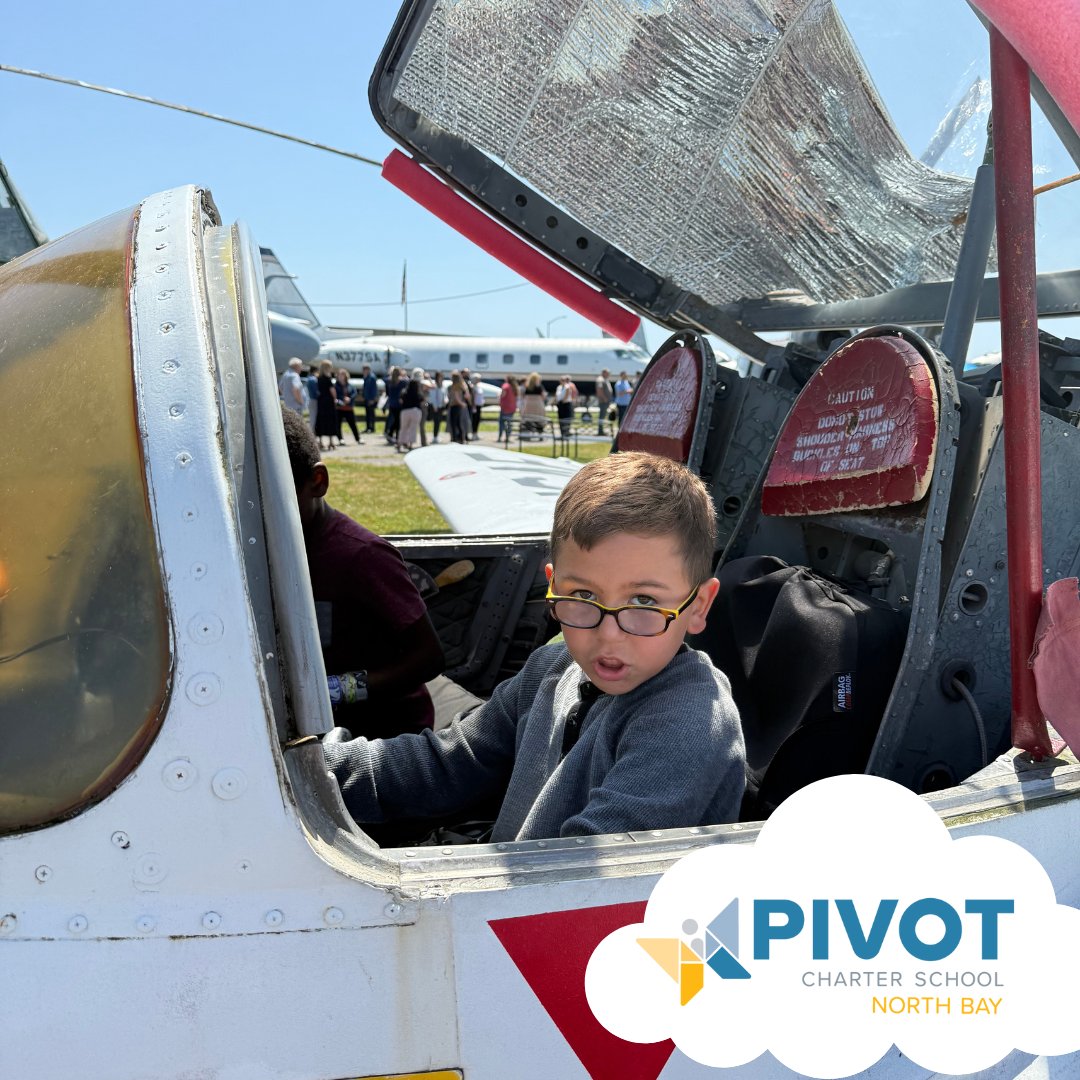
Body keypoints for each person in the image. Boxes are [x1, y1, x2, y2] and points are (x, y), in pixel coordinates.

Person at [321, 451, 746, 843]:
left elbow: (578, 880)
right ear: (553, 585)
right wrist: (316, 771)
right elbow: (448, 762)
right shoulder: (552, 667)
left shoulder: (689, 727)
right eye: (581, 596)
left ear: (698, 605)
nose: (609, 634)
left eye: (644, 602)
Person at [283, 408, 444, 738]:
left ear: (317, 482)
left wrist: (336, 690)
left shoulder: (362, 556)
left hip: (385, 737)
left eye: (277, 500)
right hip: (320, 728)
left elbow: (428, 658)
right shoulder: (275, 550)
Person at [397, 371, 424, 451]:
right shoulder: (419, 393)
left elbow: (400, 401)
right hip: (416, 411)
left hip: (405, 411)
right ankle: (410, 444)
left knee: (403, 428)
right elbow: (423, 402)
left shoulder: (404, 392)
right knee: (413, 429)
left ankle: (400, 444)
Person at [314, 360, 338, 452]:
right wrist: (335, 399)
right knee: (330, 420)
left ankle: (320, 442)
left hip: (321, 401)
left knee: (321, 420)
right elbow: (332, 391)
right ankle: (331, 442)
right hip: (328, 402)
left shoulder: (318, 378)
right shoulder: (328, 379)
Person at [335, 368, 362, 446]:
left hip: (349, 408)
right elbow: (335, 395)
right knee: (338, 425)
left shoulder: (350, 385)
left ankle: (358, 439)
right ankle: (341, 439)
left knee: (353, 424)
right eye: (340, 375)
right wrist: (342, 399)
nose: (341, 376)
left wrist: (349, 399)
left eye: (343, 375)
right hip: (339, 408)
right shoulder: (336, 386)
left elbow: (354, 393)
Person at [383, 366, 405, 444]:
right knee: (398, 421)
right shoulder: (402, 382)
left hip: (391, 404)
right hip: (399, 404)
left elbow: (384, 378)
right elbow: (408, 380)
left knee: (396, 420)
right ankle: (395, 436)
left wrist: (390, 373)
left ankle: (391, 434)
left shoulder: (389, 381)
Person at [448, 372, 469, 444]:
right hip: (459, 406)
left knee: (454, 423)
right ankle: (462, 438)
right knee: (459, 423)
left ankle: (455, 439)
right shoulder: (461, 385)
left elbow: (456, 398)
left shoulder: (455, 386)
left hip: (455, 406)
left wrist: (461, 403)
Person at [429, 371, 448, 443]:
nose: (441, 378)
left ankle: (436, 436)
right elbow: (433, 397)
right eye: (440, 377)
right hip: (435, 407)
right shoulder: (434, 386)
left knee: (439, 421)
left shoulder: (443, 386)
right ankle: (435, 437)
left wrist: (446, 400)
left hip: (441, 406)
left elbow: (445, 395)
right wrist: (435, 406)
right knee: (436, 421)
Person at [497, 376, 518, 445]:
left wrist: (499, 396)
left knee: (501, 423)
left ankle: (500, 437)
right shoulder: (514, 387)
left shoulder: (506, 385)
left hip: (505, 407)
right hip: (512, 407)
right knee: (509, 423)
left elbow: (503, 394)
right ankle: (507, 437)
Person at [594, 368, 613, 436]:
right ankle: (600, 431)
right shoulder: (600, 379)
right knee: (601, 416)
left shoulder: (604, 379)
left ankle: (601, 430)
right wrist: (604, 398)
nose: (609, 374)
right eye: (607, 373)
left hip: (606, 401)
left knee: (603, 416)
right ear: (604, 372)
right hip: (603, 401)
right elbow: (599, 390)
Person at [361, 364, 379, 434]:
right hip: (367, 398)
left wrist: (372, 399)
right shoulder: (366, 377)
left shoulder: (372, 377)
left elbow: (374, 389)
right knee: (368, 414)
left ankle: (372, 428)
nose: (363, 371)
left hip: (371, 399)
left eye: (364, 370)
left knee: (371, 414)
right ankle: (368, 427)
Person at [305, 366, 320, 432]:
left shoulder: (309, 378)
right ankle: (312, 433)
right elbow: (316, 391)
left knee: (312, 417)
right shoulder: (313, 379)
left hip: (310, 399)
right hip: (314, 400)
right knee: (313, 418)